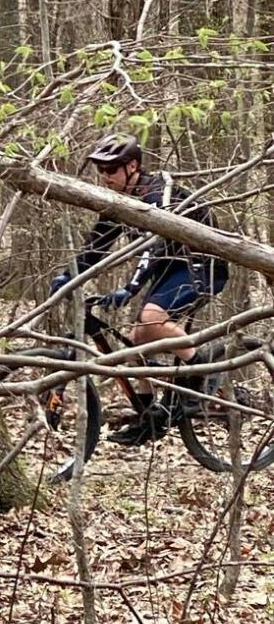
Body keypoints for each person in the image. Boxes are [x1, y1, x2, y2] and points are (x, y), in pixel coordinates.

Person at [49, 132, 229, 446]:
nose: (105, 177)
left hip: (201, 264)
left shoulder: (155, 195)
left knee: (151, 318)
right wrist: (68, 275)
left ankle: (199, 368)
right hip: (170, 267)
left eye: (111, 169)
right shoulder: (119, 202)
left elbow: (152, 247)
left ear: (132, 166)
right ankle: (149, 417)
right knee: (137, 340)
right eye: (101, 170)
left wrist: (129, 289)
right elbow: (96, 246)